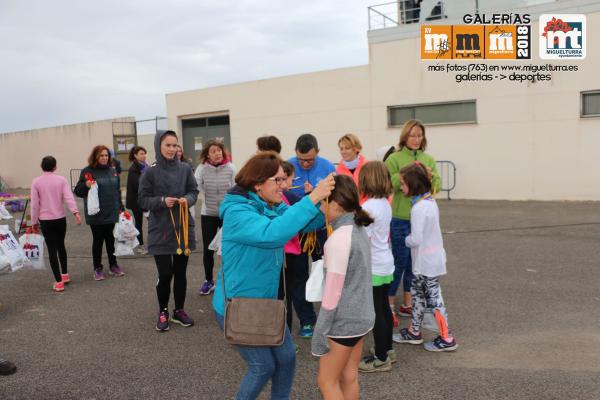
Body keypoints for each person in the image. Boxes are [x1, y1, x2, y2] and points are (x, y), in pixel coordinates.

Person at [212, 152, 335, 400]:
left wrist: (323, 206)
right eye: (277, 180)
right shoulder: (238, 212)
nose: (284, 185)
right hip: (238, 306)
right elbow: (272, 234)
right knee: (263, 367)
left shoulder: (269, 204)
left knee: (287, 359)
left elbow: (301, 224)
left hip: (265, 304)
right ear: (258, 184)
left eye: (284, 179)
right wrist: (311, 198)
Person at [312, 175, 375, 400]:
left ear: (335, 205)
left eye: (322, 202)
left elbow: (331, 296)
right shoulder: (358, 228)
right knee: (349, 376)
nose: (319, 207)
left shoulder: (339, 238)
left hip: (344, 321)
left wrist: (320, 332)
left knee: (326, 382)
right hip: (363, 316)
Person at [392, 162, 457, 352]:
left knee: (434, 299)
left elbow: (416, 238)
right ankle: (414, 331)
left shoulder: (419, 208)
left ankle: (447, 337)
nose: (401, 187)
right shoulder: (429, 201)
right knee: (417, 294)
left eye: (403, 184)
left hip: (426, 262)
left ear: (412, 184)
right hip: (426, 261)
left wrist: (403, 240)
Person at [138, 130, 199, 332]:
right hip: (161, 229)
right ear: (159, 146)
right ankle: (163, 310)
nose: (172, 149)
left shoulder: (185, 168)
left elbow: (193, 191)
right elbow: (142, 199)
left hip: (182, 227)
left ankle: (179, 310)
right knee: (165, 274)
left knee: (180, 272)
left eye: (175, 145)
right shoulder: (150, 171)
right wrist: (162, 201)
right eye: (168, 145)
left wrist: (187, 200)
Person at [385, 119, 441, 327]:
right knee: (398, 262)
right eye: (412, 135)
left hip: (422, 218)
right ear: (405, 137)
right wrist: (407, 176)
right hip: (400, 218)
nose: (416, 139)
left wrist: (431, 176)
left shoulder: (429, 159)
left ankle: (408, 302)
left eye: (420, 135)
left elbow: (437, 186)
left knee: (414, 264)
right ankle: (389, 305)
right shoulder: (394, 158)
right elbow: (387, 183)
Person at [288, 133, 335, 338]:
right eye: (301, 159)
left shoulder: (328, 168)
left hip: (321, 230)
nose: (305, 164)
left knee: (325, 273)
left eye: (310, 160)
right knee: (299, 277)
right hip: (296, 233)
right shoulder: (287, 168)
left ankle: (328, 317)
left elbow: (336, 198)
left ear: (318, 152)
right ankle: (307, 320)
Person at [356, 161, 396, 373]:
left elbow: (365, 238)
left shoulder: (368, 207)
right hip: (385, 262)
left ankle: (380, 358)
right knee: (383, 307)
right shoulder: (384, 203)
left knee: (376, 313)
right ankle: (387, 348)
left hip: (373, 265)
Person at [30, 156, 81, 292]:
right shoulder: (61, 180)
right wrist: (75, 212)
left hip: (46, 221)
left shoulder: (36, 182)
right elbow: (68, 197)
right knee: (61, 246)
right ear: (55, 167)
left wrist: (34, 222)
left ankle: (58, 282)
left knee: (52, 250)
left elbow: (34, 204)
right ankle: (65, 275)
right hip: (60, 219)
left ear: (42, 167)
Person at [74, 145, 125, 281]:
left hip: (112, 212)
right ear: (96, 156)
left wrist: (121, 207)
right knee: (98, 241)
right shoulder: (87, 171)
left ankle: (113, 265)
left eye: (106, 155)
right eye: (101, 155)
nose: (104, 158)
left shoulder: (112, 171)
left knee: (110, 240)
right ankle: (97, 268)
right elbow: (78, 191)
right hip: (96, 214)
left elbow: (117, 191)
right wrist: (86, 185)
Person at [194, 139, 235, 295]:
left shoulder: (231, 168)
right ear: (207, 154)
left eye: (219, 150)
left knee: (229, 248)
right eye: (213, 151)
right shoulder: (201, 169)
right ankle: (208, 281)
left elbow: (236, 189)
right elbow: (195, 186)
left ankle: (230, 279)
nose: (217, 153)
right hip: (208, 214)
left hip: (227, 215)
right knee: (208, 250)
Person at [279, 161, 315, 336]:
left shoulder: (289, 197)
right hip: (286, 252)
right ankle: (296, 327)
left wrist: (310, 196)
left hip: (292, 252)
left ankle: (305, 322)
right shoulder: (286, 196)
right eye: (282, 180)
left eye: (288, 179)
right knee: (290, 291)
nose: (286, 184)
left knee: (295, 288)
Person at [126, 146, 148, 254]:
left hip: (146, 199)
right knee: (138, 223)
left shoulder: (146, 166)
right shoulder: (133, 168)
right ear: (135, 155)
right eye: (141, 153)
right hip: (136, 201)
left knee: (152, 221)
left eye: (144, 153)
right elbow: (137, 184)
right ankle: (140, 245)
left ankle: (154, 243)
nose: (143, 155)